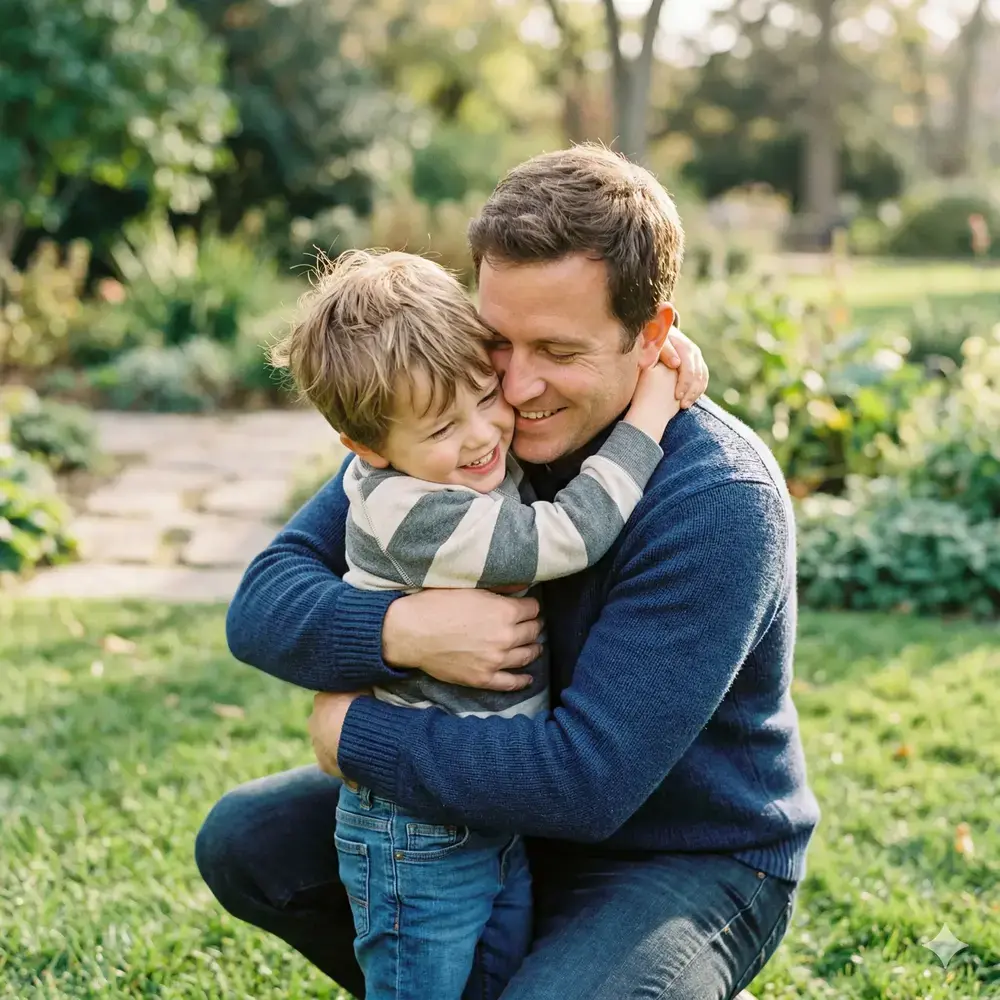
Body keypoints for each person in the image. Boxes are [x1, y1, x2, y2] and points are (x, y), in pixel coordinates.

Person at [196, 144, 820, 999]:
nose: (516, 388)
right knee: (248, 840)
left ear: (651, 336)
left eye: (557, 350)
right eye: (498, 340)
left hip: (685, 852)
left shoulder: (717, 499)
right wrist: (400, 631)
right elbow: (262, 603)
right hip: (498, 823)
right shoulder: (458, 433)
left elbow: (585, 784)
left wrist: (356, 735)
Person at [269, 246, 686, 999]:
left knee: (490, 984)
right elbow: (570, 533)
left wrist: (645, 351)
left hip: (488, 812)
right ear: (366, 449)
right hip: (416, 832)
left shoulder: (444, 459)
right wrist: (652, 409)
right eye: (440, 428)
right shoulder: (412, 510)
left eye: (483, 393)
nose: (483, 435)